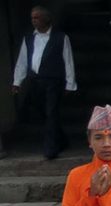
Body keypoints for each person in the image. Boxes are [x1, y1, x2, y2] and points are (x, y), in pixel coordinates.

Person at [12, 6, 76, 159]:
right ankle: (61, 139)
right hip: (35, 81)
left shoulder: (60, 37)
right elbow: (22, 61)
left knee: (51, 113)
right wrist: (17, 82)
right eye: (32, 18)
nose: (34, 21)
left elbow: (68, 61)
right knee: (43, 113)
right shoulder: (29, 38)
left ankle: (51, 148)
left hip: (53, 81)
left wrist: (70, 83)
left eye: (37, 17)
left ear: (46, 19)